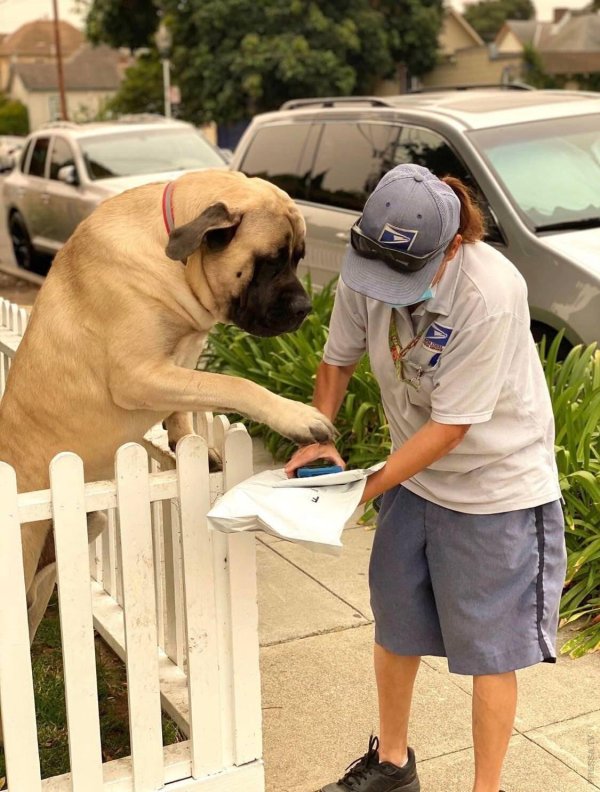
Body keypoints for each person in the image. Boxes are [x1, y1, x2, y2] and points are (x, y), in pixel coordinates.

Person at [285, 164, 566, 792]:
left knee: (491, 651)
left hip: (494, 488)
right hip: (416, 479)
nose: (385, 291)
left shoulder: (491, 292)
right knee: (396, 622)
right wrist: (317, 437)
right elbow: (337, 361)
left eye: (403, 278)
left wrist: (361, 488)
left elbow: (451, 428)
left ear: (453, 247)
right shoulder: (371, 267)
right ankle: (391, 765)